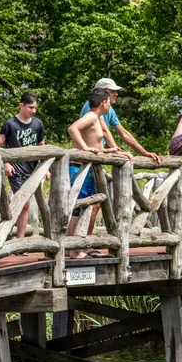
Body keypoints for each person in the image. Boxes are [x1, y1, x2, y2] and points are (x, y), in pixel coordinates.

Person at [66, 88, 130, 258]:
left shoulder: (96, 118)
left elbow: (94, 142)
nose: (110, 104)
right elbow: (73, 129)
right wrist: (85, 148)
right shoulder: (91, 116)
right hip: (80, 167)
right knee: (80, 206)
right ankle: (75, 250)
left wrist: (110, 151)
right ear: (104, 103)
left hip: (87, 166)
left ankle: (73, 247)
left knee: (81, 206)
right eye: (109, 101)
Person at [0, 92, 47, 239]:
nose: (33, 111)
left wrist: (46, 167)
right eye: (30, 107)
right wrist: (6, 163)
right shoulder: (10, 124)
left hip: (33, 169)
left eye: (35, 108)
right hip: (16, 169)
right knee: (24, 203)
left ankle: (13, 234)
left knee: (25, 204)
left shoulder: (38, 124)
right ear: (21, 105)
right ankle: (15, 236)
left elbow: (42, 146)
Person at [79, 78, 161, 164]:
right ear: (101, 92)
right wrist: (117, 151)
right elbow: (104, 130)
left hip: (93, 159)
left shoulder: (109, 109)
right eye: (112, 91)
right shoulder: (92, 107)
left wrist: (144, 152)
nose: (116, 94)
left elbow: (123, 133)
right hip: (83, 160)